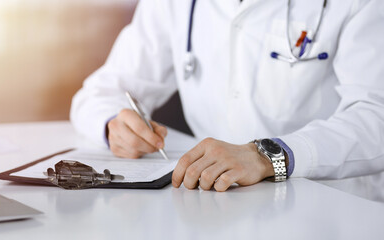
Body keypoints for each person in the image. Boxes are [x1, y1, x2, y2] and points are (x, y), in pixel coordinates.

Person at [70, 0, 384, 193]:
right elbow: (100, 91)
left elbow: (376, 115)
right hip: (211, 202)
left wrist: (267, 156)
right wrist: (114, 125)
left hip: (332, 205)